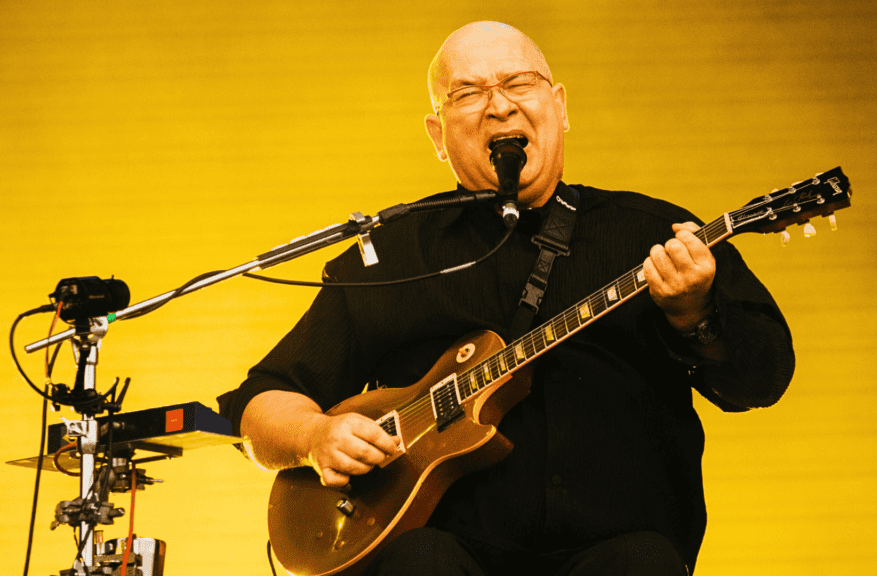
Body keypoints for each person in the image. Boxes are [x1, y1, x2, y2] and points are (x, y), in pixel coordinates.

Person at [218, 21, 795, 576]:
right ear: (437, 135)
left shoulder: (657, 233)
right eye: (468, 92)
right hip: (436, 558)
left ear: (561, 108)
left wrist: (695, 313)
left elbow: (762, 380)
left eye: (519, 83)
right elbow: (263, 403)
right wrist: (315, 438)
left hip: (622, 553)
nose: (499, 105)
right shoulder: (390, 253)